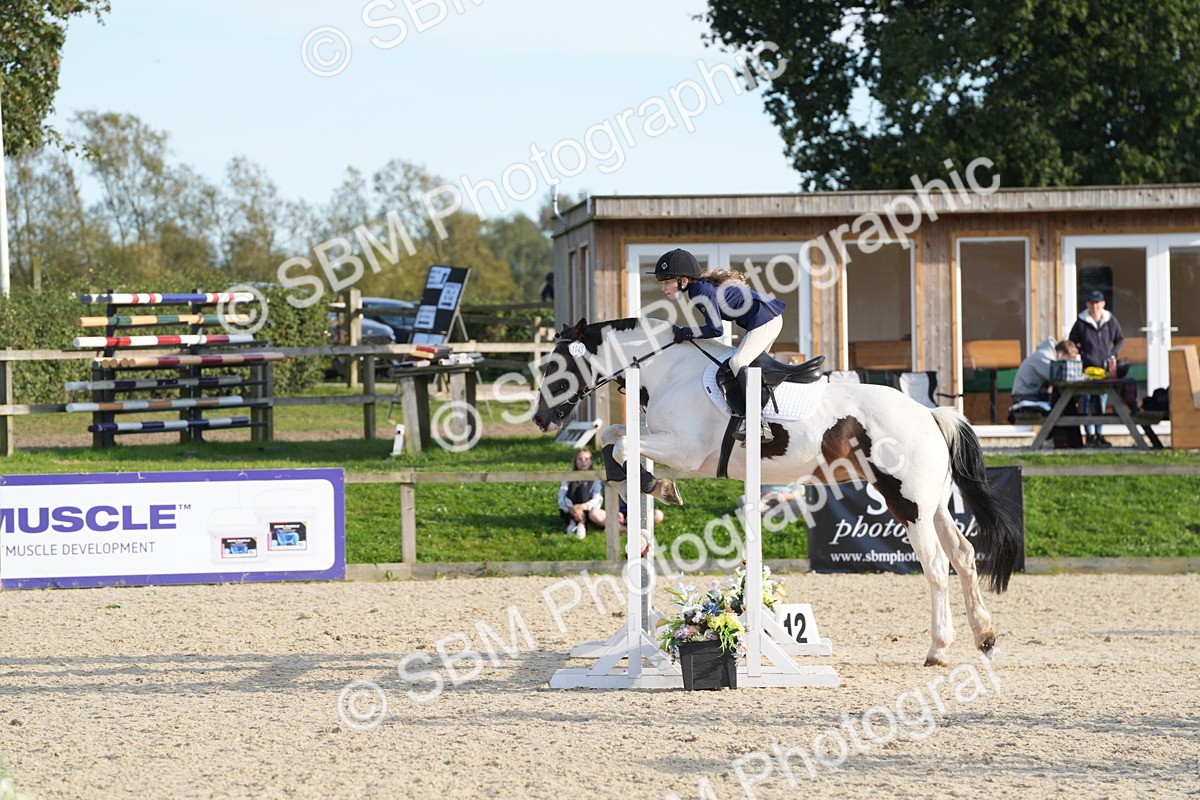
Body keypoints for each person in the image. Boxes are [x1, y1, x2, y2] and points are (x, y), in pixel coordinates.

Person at [650, 248, 785, 442]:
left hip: (764, 320)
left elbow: (716, 330)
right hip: (765, 318)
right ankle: (762, 419)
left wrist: (686, 332)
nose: (663, 288)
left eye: (666, 282)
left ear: (683, 281)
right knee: (751, 368)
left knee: (737, 363)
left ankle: (758, 423)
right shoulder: (699, 289)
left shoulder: (699, 292)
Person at [1069, 290, 1125, 447]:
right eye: (1092, 303)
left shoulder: (1110, 320)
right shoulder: (1081, 322)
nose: (1094, 306)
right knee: (1086, 401)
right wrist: (1080, 354)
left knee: (1101, 401)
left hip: (1104, 369)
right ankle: (1089, 435)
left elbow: (1120, 339)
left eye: (1097, 303)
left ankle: (1099, 433)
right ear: (1087, 305)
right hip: (1087, 369)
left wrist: (1112, 354)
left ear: (1103, 304)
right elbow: (1071, 342)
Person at [1011, 338, 1079, 409]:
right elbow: (1058, 378)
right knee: (1063, 401)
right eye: (1067, 360)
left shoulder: (1047, 355)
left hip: (1032, 393)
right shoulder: (1044, 357)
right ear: (1060, 354)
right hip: (1024, 395)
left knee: (1064, 400)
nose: (1067, 365)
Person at [557, 449, 604, 539]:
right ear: (575, 462)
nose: (583, 462)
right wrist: (572, 508)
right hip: (570, 509)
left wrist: (583, 506)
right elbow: (561, 495)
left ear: (591, 462)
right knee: (574, 485)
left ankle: (581, 523)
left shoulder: (596, 479)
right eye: (580, 459)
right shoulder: (568, 477)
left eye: (586, 459)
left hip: (587, 509)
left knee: (583, 489)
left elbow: (598, 497)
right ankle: (572, 523)